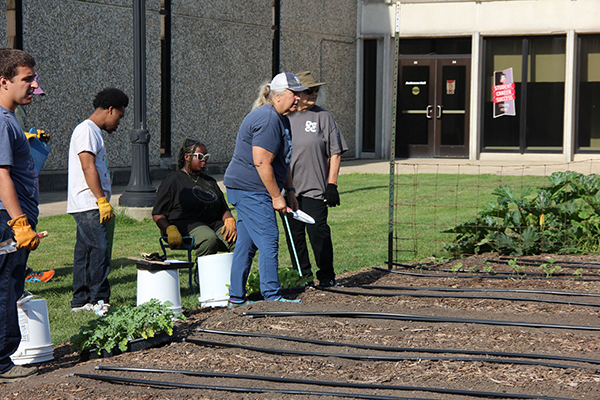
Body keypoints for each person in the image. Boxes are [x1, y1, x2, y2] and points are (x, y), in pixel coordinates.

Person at [223, 72, 306, 308]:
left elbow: (282, 160)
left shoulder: (281, 118)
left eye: (300, 94)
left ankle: (237, 298)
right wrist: (276, 197)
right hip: (251, 189)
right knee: (269, 238)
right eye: (295, 94)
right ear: (278, 96)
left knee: (246, 245)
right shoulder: (268, 119)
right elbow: (262, 162)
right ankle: (272, 297)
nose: (299, 99)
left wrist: (289, 190)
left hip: (248, 188)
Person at [67, 88, 129, 316]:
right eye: (120, 116)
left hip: (88, 203)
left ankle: (80, 301)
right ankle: (99, 299)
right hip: (89, 203)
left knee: (85, 252)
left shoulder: (91, 131)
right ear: (110, 109)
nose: (119, 122)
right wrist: (102, 200)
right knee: (100, 249)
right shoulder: (87, 130)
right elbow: (87, 166)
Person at [284, 71, 348, 287]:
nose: (314, 95)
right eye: (309, 91)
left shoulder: (323, 117)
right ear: (297, 94)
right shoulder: (283, 117)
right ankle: (302, 277)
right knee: (295, 238)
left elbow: (335, 153)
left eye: (316, 91)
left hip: (314, 188)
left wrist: (332, 185)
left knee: (318, 231)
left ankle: (327, 276)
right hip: (287, 191)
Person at [0, 48, 41, 383]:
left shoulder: (10, 119)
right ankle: (1, 360)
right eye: (27, 79)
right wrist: (19, 222)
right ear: (4, 81)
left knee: (9, 285)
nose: (33, 85)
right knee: (5, 287)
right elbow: (1, 176)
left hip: (12, 220)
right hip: (7, 221)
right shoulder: (1, 120)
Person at [152, 139, 236, 283]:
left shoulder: (210, 181)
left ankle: (233, 280)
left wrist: (229, 220)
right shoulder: (173, 180)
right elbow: (158, 213)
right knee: (208, 238)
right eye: (200, 157)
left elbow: (223, 208)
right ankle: (202, 278)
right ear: (187, 157)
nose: (204, 161)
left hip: (213, 223)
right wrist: (169, 229)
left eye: (206, 157)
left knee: (240, 241)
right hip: (185, 224)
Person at [15, 73, 54, 283]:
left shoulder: (18, 108)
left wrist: (33, 138)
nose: (34, 91)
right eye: (28, 83)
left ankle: (22, 272)